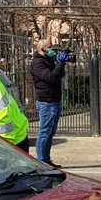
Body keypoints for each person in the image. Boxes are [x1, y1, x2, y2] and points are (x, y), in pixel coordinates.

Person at [30, 38, 68, 166]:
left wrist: (60, 63)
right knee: (45, 132)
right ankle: (42, 161)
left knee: (50, 132)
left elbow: (59, 75)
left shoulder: (48, 60)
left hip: (54, 100)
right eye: (50, 47)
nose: (52, 50)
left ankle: (46, 159)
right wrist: (59, 64)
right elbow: (51, 77)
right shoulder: (37, 63)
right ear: (42, 49)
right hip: (46, 101)